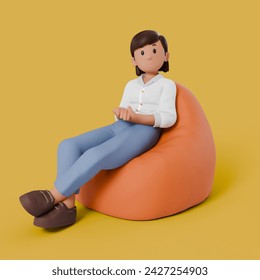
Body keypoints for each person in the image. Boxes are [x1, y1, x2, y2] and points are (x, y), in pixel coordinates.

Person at [19, 30, 177, 228]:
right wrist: (121, 113)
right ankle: (68, 206)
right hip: (121, 126)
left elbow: (169, 117)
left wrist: (137, 117)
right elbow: (121, 109)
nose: (150, 55)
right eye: (142, 53)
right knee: (67, 145)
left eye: (155, 50)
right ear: (134, 61)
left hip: (145, 131)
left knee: (95, 154)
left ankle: (52, 196)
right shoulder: (131, 85)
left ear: (166, 56)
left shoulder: (167, 85)